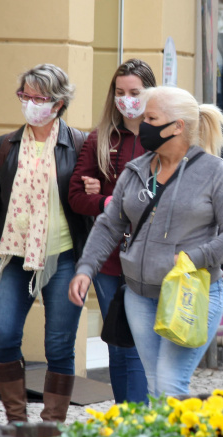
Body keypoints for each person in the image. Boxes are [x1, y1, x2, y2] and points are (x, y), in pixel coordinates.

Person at [69, 86, 223, 398]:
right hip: (139, 296)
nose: (142, 125)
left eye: (151, 117)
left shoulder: (215, 172)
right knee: (155, 385)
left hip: (190, 295)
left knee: (168, 384)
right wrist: (86, 268)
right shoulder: (136, 170)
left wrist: (196, 256)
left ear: (177, 126)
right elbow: (110, 224)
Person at [0, 64, 89, 423]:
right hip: (12, 255)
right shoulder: (6, 145)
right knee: (4, 336)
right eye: (26, 96)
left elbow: (89, 203)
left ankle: (52, 424)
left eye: (40, 97)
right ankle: (16, 422)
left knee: (59, 345)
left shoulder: (79, 143)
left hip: (63, 256)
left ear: (59, 103)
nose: (31, 104)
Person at [68, 59, 155, 404]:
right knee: (117, 343)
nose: (127, 99)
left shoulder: (161, 138)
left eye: (135, 93)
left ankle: (139, 422)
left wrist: (104, 195)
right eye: (120, 93)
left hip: (150, 258)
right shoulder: (100, 139)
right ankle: (126, 417)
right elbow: (76, 196)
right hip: (108, 260)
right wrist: (108, 202)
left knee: (136, 342)